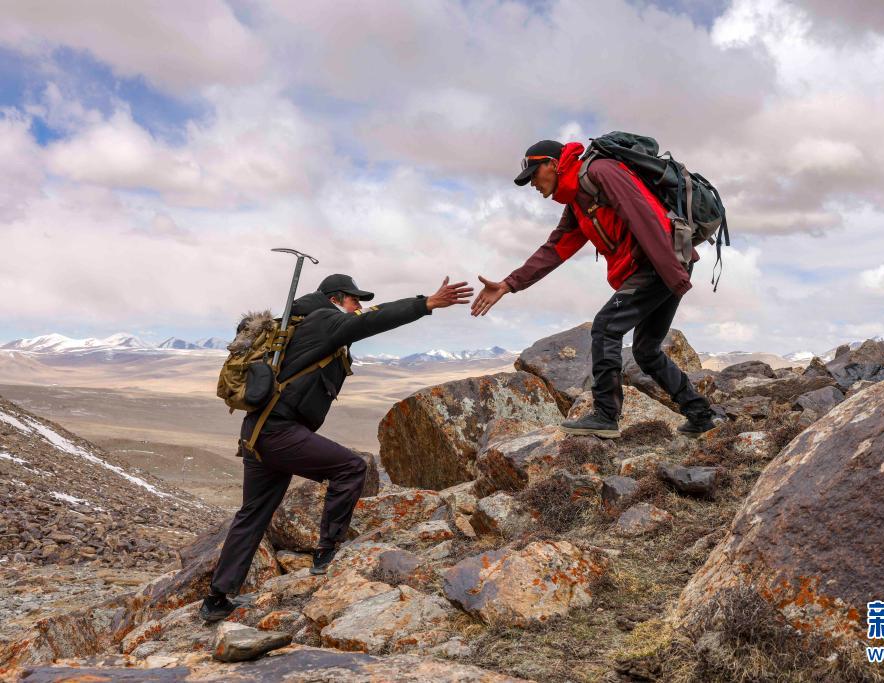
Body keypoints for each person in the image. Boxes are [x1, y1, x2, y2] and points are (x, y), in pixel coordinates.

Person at [199, 273, 472, 622]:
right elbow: (371, 319)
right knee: (351, 468)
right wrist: (425, 304)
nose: (358, 306)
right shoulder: (324, 320)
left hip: (258, 433)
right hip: (279, 433)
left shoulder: (302, 325)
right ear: (335, 299)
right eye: (354, 299)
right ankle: (327, 554)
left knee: (252, 514)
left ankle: (216, 600)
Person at [472, 139, 714, 439]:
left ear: (553, 164)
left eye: (534, 174)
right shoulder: (578, 200)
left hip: (660, 261)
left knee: (605, 327)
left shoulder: (601, 172)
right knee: (646, 350)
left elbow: (644, 214)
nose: (532, 183)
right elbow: (555, 249)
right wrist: (509, 284)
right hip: (664, 263)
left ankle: (606, 415)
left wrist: (671, 270)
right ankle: (701, 414)